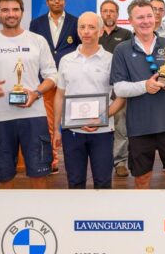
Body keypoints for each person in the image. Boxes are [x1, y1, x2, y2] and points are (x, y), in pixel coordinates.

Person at [0, 0, 57, 189]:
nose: (11, 14)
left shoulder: (37, 41)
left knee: (39, 172)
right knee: (4, 175)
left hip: (33, 116)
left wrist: (36, 93)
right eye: (5, 10)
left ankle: (41, 209)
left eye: (15, 9)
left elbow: (52, 76)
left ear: (22, 12)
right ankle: (5, 209)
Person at [110, 0, 165, 189]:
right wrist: (145, 86)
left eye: (149, 16)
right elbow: (119, 88)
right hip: (139, 125)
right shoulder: (122, 50)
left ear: (155, 17)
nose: (145, 21)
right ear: (130, 21)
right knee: (142, 179)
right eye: (140, 17)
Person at [53, 12, 125, 189]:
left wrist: (102, 117)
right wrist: (56, 129)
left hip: (103, 131)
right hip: (72, 131)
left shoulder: (112, 60)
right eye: (82, 27)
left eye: (91, 27)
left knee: (103, 182)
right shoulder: (66, 60)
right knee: (75, 182)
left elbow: (121, 97)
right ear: (77, 31)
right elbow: (60, 95)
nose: (86, 31)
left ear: (100, 31)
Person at [30, 0, 80, 173]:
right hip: (47, 80)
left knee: (72, 120)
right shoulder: (36, 23)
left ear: (64, 1)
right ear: (47, 2)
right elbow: (33, 51)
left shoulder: (76, 22)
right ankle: (52, 159)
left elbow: (80, 49)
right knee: (49, 123)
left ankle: (74, 158)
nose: (56, 1)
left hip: (71, 80)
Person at [98, 0, 133, 177]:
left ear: (117, 14)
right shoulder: (94, 33)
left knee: (120, 126)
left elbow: (130, 58)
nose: (109, 14)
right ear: (101, 13)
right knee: (99, 122)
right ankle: (101, 160)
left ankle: (120, 162)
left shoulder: (126, 34)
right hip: (97, 87)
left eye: (112, 11)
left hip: (119, 86)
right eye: (105, 11)